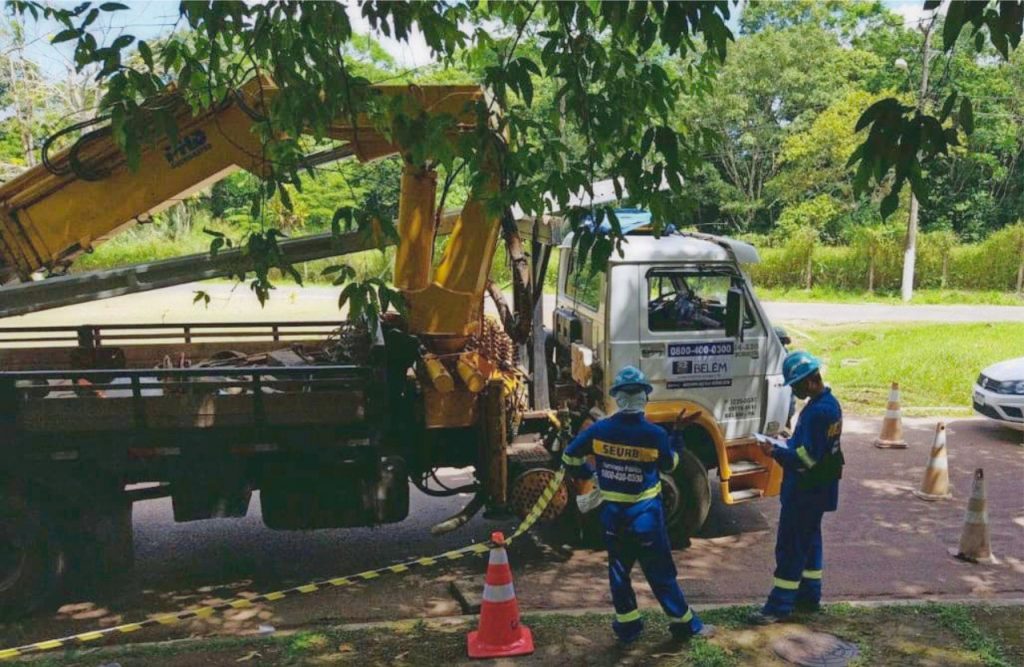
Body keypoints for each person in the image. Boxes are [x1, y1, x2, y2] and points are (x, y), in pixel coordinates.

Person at [561, 365, 714, 644]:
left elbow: (569, 457)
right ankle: (685, 626)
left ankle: (628, 629)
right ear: (644, 397)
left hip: (613, 519)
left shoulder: (600, 430)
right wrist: (677, 437)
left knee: (619, 574)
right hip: (646, 520)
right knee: (661, 573)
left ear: (618, 398)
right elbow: (672, 464)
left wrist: (591, 474)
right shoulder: (654, 434)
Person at [749, 351, 844, 624]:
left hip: (805, 491)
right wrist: (790, 441)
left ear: (811, 380)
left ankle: (778, 607)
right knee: (810, 543)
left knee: (791, 547)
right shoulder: (829, 404)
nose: (795, 391)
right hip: (819, 490)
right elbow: (813, 447)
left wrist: (774, 451)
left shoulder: (817, 412)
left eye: (797, 385)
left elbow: (806, 459)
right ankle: (809, 596)